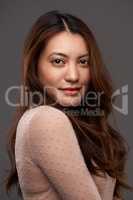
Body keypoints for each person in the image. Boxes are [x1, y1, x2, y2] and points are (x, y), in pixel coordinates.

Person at [5, 10, 132, 200]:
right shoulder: (46, 120)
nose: (73, 76)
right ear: (35, 66)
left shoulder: (69, 122)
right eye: (58, 61)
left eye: (83, 62)